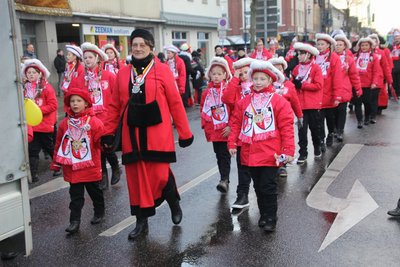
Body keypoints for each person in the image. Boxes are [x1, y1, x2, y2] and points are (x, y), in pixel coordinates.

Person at [102, 29, 194, 241]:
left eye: (143, 44)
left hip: (157, 134)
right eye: (135, 44)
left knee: (160, 175)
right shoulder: (123, 73)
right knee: (136, 181)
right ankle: (141, 221)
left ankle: (173, 201)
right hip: (131, 135)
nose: (138, 48)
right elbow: (114, 105)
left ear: (151, 47)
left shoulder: (162, 70)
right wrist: (107, 131)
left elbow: (175, 103)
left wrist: (185, 132)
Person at [228, 60, 295, 232]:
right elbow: (236, 123)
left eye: (262, 79)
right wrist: (232, 142)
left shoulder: (279, 101)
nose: (258, 82)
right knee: (257, 186)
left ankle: (271, 217)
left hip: (270, 153)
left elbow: (287, 126)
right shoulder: (244, 102)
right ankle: (263, 214)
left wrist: (288, 150)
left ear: (270, 81)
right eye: (255, 78)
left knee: (268, 186)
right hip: (249, 153)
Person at [51, 88, 105, 235]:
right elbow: (59, 143)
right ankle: (74, 221)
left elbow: (101, 143)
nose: (75, 104)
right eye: (72, 101)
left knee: (95, 192)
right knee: (75, 196)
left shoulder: (94, 122)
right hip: (72, 167)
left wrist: (105, 143)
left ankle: (99, 211)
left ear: (86, 103)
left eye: (79, 101)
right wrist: (56, 163)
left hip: (90, 166)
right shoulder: (64, 124)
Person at [71, 42, 120, 190]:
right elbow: (74, 96)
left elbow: (117, 98)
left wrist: (115, 118)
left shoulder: (109, 76)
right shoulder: (80, 78)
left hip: (107, 119)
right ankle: (102, 175)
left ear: (98, 58)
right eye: (85, 58)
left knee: (107, 147)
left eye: (90, 57)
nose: (87, 60)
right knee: (96, 150)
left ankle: (116, 167)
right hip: (90, 119)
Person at [222, 57, 254, 209]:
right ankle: (242, 195)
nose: (244, 76)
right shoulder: (236, 89)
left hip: (260, 135)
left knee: (260, 170)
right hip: (242, 134)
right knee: (242, 167)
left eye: (246, 73)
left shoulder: (259, 84)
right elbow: (226, 98)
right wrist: (235, 78)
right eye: (241, 74)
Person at [22, 59, 59, 182]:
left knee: (49, 147)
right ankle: (33, 174)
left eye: (34, 72)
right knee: (33, 150)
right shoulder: (25, 89)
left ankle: (58, 167)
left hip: (44, 125)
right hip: (32, 126)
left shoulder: (46, 88)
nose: (31, 74)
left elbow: (53, 105)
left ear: (40, 73)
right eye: (29, 72)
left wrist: (37, 110)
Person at [200, 57, 233, 193]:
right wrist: (205, 126)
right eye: (214, 74)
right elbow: (202, 109)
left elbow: (235, 108)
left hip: (226, 129)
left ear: (225, 74)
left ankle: (224, 179)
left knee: (225, 155)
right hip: (214, 129)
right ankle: (223, 177)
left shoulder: (229, 90)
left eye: (219, 73)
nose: (216, 76)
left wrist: (231, 125)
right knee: (218, 155)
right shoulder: (206, 93)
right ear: (210, 75)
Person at [269, 56, 303, 176]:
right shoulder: (267, 84)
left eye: (279, 69)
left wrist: (299, 116)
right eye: (274, 69)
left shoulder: (289, 85)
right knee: (273, 141)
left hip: (285, 118)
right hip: (270, 119)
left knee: (285, 140)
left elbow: (295, 102)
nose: (277, 72)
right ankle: (273, 163)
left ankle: (282, 165)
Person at [291, 42, 324, 164]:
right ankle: (303, 153)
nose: (298, 56)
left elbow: (318, 85)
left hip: (312, 105)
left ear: (308, 55)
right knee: (301, 131)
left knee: (315, 129)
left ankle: (317, 147)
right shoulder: (296, 69)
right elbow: (292, 84)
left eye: (301, 54)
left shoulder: (316, 68)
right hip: (300, 106)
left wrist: (303, 85)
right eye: (298, 53)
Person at [315, 33, 343, 150]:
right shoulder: (314, 57)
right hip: (317, 95)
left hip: (329, 94)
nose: (320, 46)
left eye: (322, 44)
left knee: (330, 118)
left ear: (328, 45)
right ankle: (321, 139)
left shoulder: (334, 58)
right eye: (318, 44)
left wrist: (337, 96)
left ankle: (331, 133)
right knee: (319, 120)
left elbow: (337, 78)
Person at [333, 34, 362, 136]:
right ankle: (335, 129)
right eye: (336, 44)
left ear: (345, 46)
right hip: (332, 89)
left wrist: (358, 88)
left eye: (340, 45)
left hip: (344, 89)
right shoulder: (329, 58)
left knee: (342, 111)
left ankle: (340, 130)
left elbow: (354, 75)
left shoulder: (349, 59)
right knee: (333, 112)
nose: (338, 46)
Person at [353, 37, 381, 127]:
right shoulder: (355, 57)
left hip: (368, 84)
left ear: (370, 46)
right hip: (357, 83)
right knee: (357, 103)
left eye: (366, 45)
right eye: (362, 45)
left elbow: (376, 71)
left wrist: (374, 82)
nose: (364, 47)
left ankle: (367, 117)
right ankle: (359, 121)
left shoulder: (374, 57)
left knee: (367, 102)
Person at [369, 34, 393, 120]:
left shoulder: (382, 52)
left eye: (375, 40)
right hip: (367, 79)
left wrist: (389, 79)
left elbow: (386, 66)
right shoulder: (363, 53)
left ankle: (376, 112)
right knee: (368, 98)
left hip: (379, 78)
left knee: (379, 95)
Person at [179, 43, 196, 107]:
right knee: (186, 90)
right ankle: (185, 103)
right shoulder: (186, 57)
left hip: (178, 76)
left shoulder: (178, 56)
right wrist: (194, 72)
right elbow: (189, 68)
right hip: (185, 76)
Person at [390, 30, 400, 97]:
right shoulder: (391, 46)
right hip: (392, 64)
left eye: (398, 38)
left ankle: (398, 93)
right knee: (393, 79)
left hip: (399, 64)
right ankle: (392, 93)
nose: (396, 39)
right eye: (395, 38)